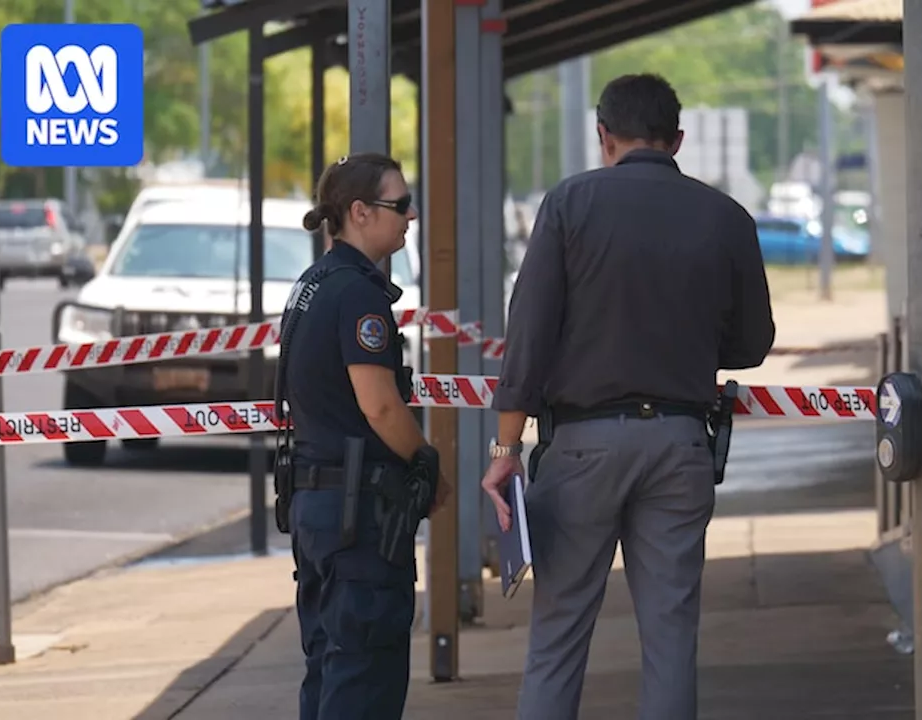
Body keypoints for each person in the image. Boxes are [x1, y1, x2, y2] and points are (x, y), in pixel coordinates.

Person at [480, 74, 776, 720]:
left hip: (582, 447)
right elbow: (754, 343)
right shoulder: (726, 216)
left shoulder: (568, 204)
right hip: (679, 445)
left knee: (558, 638)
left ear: (602, 136)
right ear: (678, 140)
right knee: (671, 638)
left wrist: (506, 447)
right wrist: (683, 347)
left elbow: (528, 337)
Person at [274, 152, 449, 720]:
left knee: (329, 668)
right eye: (399, 205)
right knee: (364, 678)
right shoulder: (357, 293)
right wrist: (426, 462)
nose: (411, 215)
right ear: (359, 212)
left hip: (319, 509)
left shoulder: (311, 285)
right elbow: (378, 403)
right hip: (358, 517)